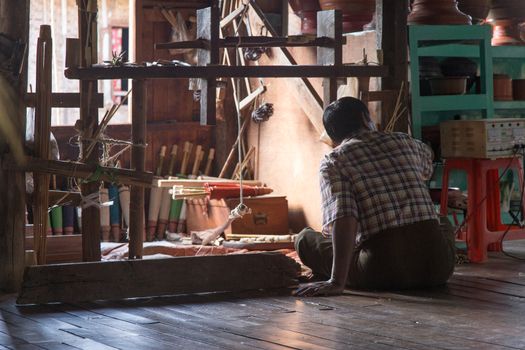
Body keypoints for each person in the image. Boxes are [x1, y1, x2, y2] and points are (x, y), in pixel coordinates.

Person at [294, 97, 455, 297]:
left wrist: (336, 281)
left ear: (332, 136)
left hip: (380, 272)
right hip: (438, 268)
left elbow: (344, 218)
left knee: (305, 239)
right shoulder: (403, 140)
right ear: (364, 118)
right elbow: (427, 165)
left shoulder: (334, 161)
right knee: (442, 221)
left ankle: (333, 273)